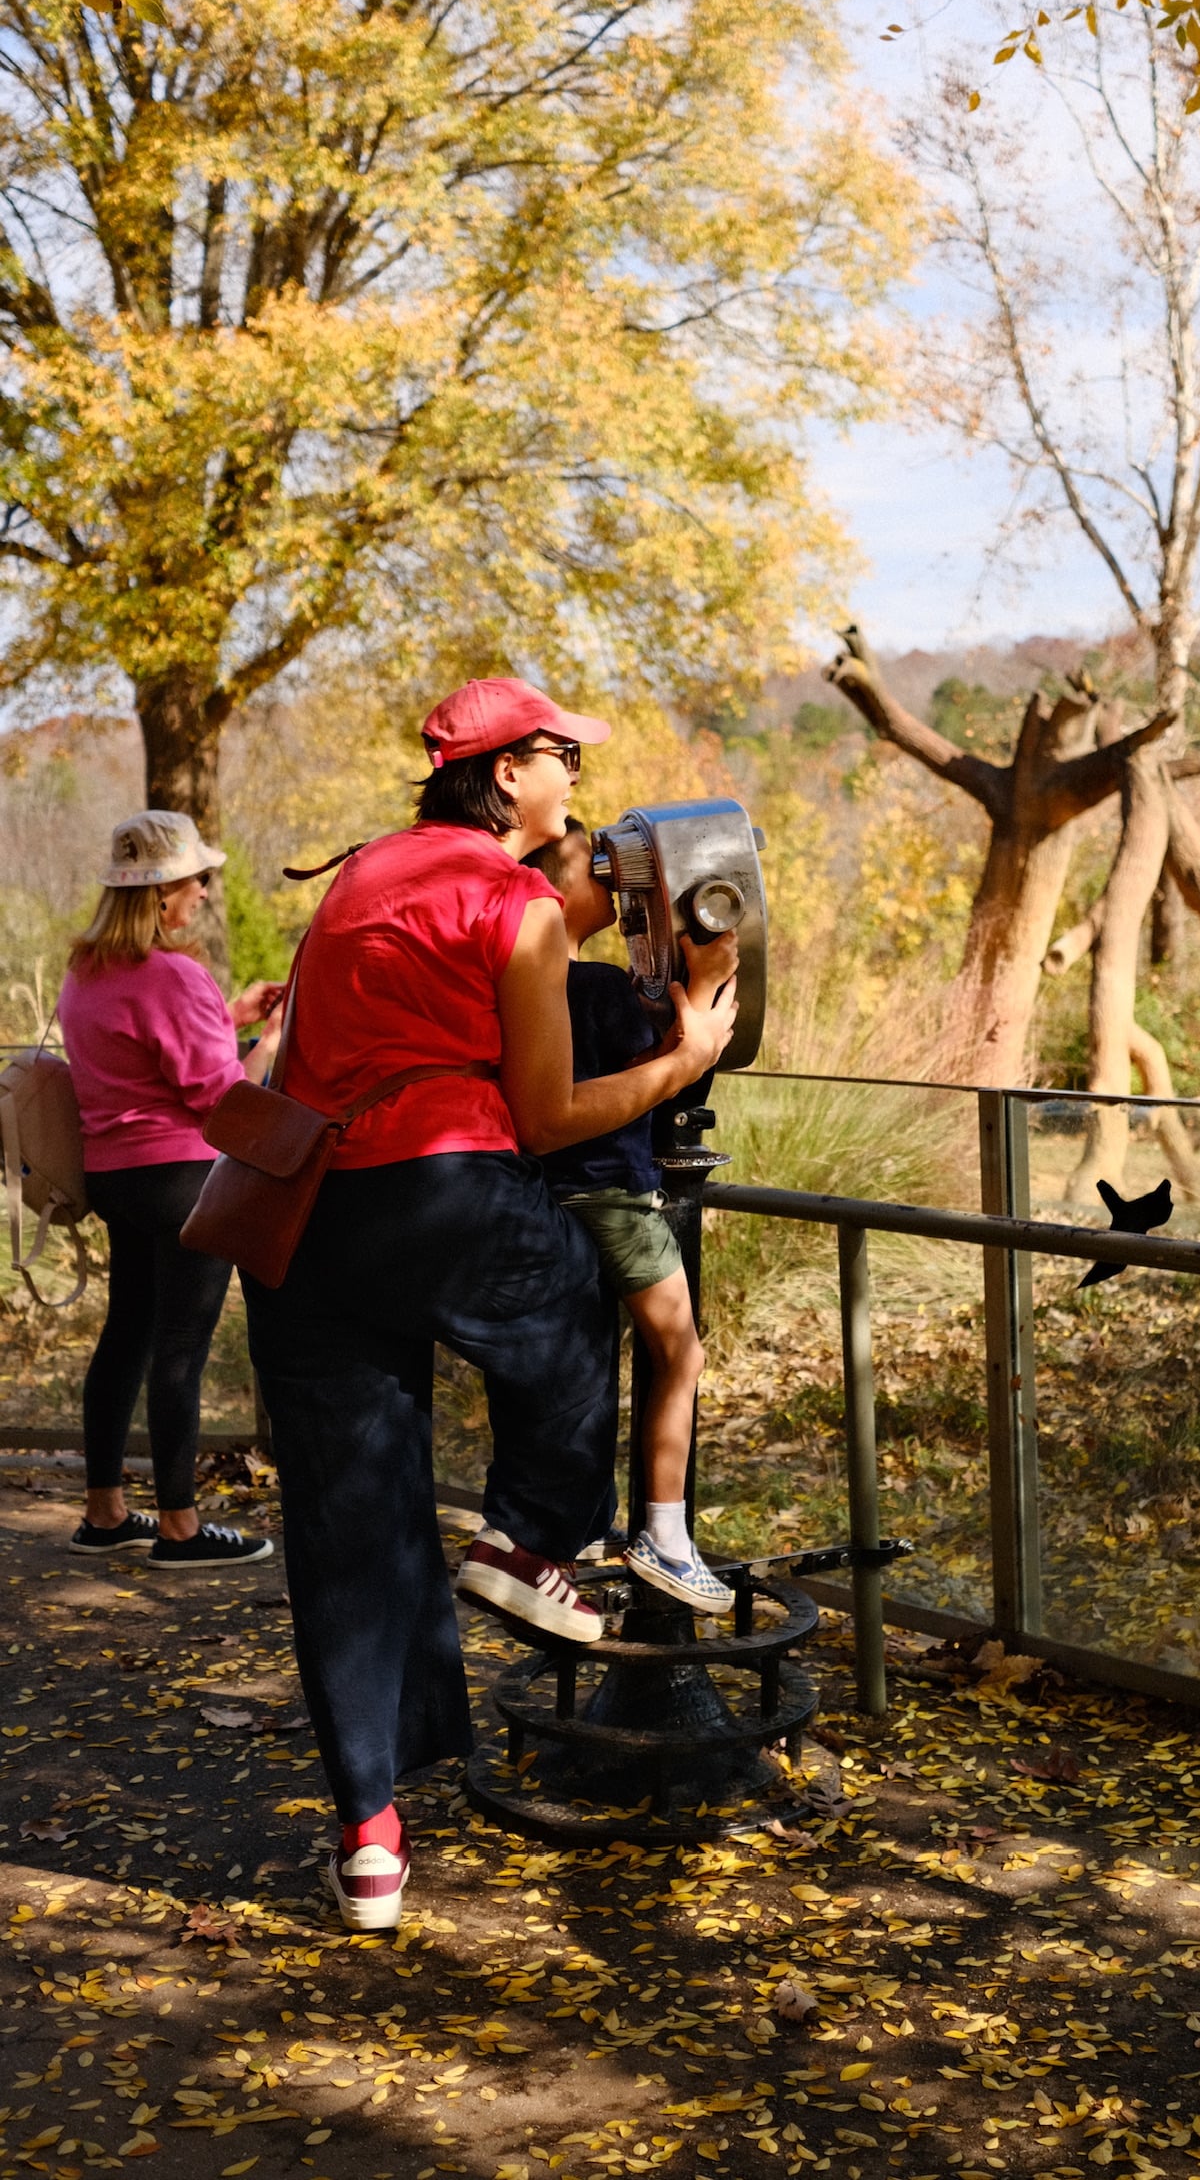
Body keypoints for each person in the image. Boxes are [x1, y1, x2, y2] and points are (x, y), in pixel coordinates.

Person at [241, 677, 738, 1933]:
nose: (576, 776)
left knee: (351, 1532)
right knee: (576, 1308)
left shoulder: (363, 876)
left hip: (306, 1219)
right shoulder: (510, 899)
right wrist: (685, 1057)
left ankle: (369, 1840)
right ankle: (523, 1542)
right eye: (563, 756)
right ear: (508, 773)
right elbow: (551, 1115)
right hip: (437, 1187)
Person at [58, 811, 286, 1569]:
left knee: (127, 1333)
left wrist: (232, 1018)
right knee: (181, 1348)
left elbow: (144, 1051)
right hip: (183, 1180)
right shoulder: (175, 973)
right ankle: (181, 1529)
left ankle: (104, 1513)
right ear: (160, 895)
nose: (203, 893)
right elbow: (219, 1099)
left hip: (116, 1177)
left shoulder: (84, 972)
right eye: (196, 880)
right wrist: (274, 1045)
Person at [525, 819, 733, 1615]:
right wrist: (708, 981)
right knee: (681, 1356)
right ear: (550, 890)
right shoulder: (602, 989)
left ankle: (572, 1541)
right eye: (593, 866)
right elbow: (679, 1069)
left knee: (590, 1369)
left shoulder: (532, 988)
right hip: (615, 1194)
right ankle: (666, 1537)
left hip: (545, 1197)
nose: (613, 879)